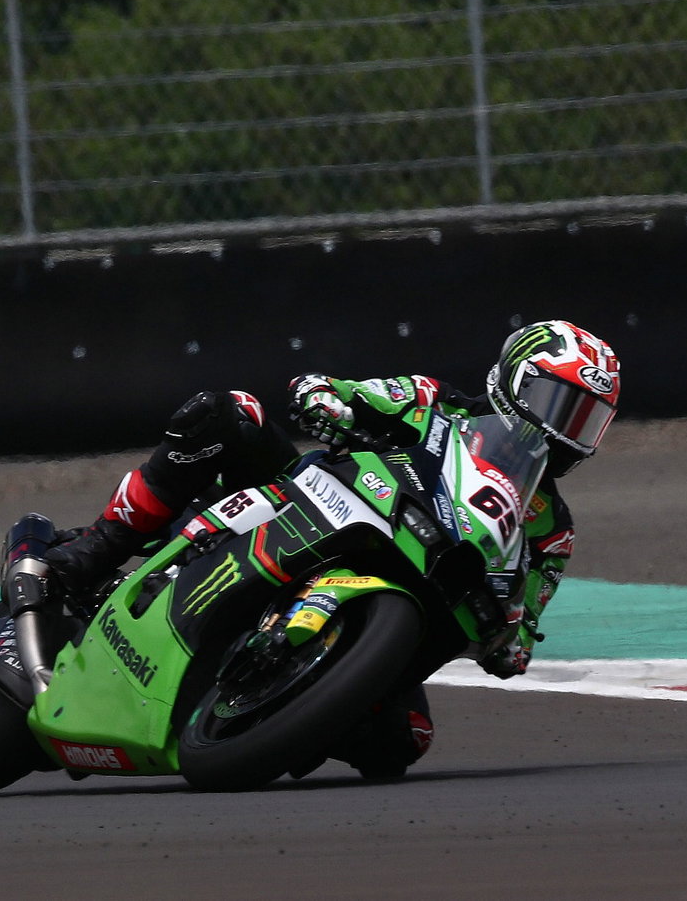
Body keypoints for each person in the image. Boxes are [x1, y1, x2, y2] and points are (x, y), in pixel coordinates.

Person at [43, 319, 621, 772]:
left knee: (402, 743)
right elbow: (335, 390)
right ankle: (97, 546)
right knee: (227, 416)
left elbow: (524, 628)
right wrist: (326, 401)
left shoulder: (553, 530)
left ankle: (280, 713)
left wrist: (510, 638)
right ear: (514, 382)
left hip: (417, 585)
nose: (566, 431)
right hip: (327, 505)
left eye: (586, 420)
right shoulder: (431, 401)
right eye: (558, 406)